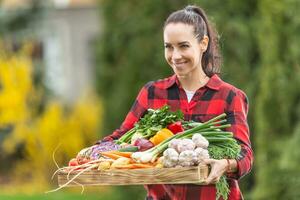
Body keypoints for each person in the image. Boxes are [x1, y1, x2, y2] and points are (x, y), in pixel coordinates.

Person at [97, 5, 253, 200]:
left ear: (203, 44)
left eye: (183, 46)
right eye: (168, 47)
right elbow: (120, 139)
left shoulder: (229, 96)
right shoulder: (152, 93)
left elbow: (244, 154)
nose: (175, 56)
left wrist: (227, 164)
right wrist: (93, 152)